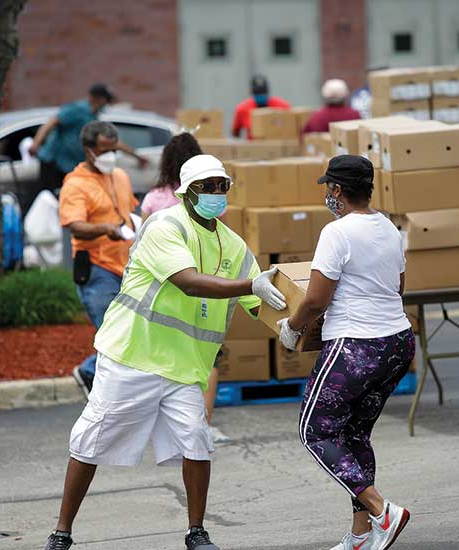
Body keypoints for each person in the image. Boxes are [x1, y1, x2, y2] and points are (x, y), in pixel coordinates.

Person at [42, 154, 287, 550]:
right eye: (206, 187)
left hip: (184, 368)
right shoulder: (165, 225)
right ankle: (62, 532)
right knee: (90, 440)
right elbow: (189, 282)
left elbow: (265, 302)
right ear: (186, 193)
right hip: (131, 356)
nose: (215, 194)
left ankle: (197, 532)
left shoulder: (235, 247)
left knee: (197, 439)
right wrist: (249, 288)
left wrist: (293, 326)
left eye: (221, 186)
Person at [278, 155, 415, 550]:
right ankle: (360, 535)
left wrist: (293, 327)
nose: (326, 194)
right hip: (397, 342)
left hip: (356, 346)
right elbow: (399, 285)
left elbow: (317, 298)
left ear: (337, 190)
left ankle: (380, 511)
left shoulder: (336, 233)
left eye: (328, 188)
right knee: (355, 433)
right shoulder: (388, 227)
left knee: (314, 430)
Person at [140, 132, 228, 441]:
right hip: (206, 288)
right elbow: (220, 239)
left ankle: (166, 423)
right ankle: (202, 422)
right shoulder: (209, 199)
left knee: (165, 358)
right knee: (208, 358)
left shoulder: (153, 199)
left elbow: (140, 240)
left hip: (165, 292)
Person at [59, 120, 139, 395]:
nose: (110, 156)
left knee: (131, 333)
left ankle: (95, 375)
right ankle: (91, 373)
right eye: (104, 150)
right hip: (96, 270)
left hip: (127, 268)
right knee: (115, 337)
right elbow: (74, 225)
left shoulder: (120, 176)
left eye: (113, 149)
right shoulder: (76, 184)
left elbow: (129, 212)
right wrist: (105, 229)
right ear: (88, 150)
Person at [29, 83, 148, 201]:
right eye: (105, 100)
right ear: (97, 98)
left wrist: (136, 155)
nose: (105, 104)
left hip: (69, 166)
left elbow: (111, 142)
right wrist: (36, 144)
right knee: (50, 200)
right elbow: (51, 123)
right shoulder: (76, 110)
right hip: (53, 162)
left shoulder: (92, 118)